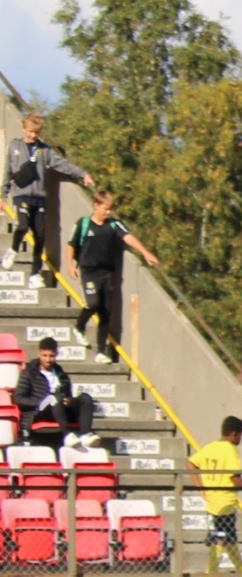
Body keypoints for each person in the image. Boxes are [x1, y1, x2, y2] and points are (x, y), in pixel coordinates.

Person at [67, 187, 156, 357]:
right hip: (89, 271)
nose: (108, 213)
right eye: (106, 209)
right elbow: (71, 244)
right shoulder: (83, 224)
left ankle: (101, 351)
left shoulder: (114, 224)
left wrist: (145, 253)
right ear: (96, 205)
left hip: (107, 273)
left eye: (110, 209)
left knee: (106, 312)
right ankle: (79, 327)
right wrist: (70, 265)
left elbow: (128, 237)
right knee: (93, 303)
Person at [7, 113, 88, 275]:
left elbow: (62, 164)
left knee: (40, 235)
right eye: (30, 131)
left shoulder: (44, 150)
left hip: (39, 198)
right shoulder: (15, 146)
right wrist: (3, 195)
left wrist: (82, 173)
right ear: (24, 129)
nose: (33, 135)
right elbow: (7, 171)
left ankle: (35, 273)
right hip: (21, 194)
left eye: (36, 132)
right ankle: (13, 250)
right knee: (22, 225)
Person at [189, 415, 242, 577]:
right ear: (234, 434)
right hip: (226, 502)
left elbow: (190, 464)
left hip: (212, 502)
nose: (240, 439)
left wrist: (200, 487)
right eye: (240, 435)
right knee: (222, 539)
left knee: (227, 538)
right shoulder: (231, 450)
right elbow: (235, 476)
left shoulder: (210, 447)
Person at [14, 336, 95, 447]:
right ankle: (67, 435)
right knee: (55, 398)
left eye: (51, 356)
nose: (48, 360)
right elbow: (18, 398)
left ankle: (85, 434)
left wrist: (69, 401)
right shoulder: (28, 373)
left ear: (56, 354)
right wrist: (42, 401)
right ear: (39, 353)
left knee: (85, 398)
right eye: (44, 356)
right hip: (39, 412)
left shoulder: (61, 374)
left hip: (60, 409)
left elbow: (68, 395)